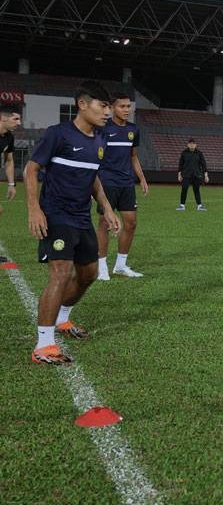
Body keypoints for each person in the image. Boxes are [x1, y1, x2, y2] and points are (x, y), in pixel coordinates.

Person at [24, 81, 121, 365]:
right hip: (56, 213)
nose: (107, 112)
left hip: (81, 217)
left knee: (88, 274)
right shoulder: (58, 134)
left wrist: (106, 209)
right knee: (61, 273)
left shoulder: (100, 140)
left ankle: (63, 320)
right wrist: (34, 209)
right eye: (102, 106)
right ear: (82, 104)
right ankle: (43, 345)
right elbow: (31, 169)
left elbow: (93, 177)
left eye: (109, 107)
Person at [95, 94, 149, 280]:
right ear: (112, 108)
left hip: (126, 183)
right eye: (122, 106)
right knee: (104, 223)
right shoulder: (102, 128)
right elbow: (94, 156)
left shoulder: (133, 130)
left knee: (131, 223)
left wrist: (141, 178)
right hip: (106, 182)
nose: (126, 110)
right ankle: (101, 267)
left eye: (128, 106)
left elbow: (133, 156)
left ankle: (120, 265)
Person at [0, 104, 22, 227]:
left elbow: (9, 161)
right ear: (3, 118)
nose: (19, 123)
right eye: (15, 119)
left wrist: (11, 184)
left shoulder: (9, 137)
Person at [177, 138, 208, 211]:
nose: (192, 145)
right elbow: (180, 164)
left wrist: (206, 175)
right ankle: (182, 205)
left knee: (196, 190)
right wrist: (179, 175)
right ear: (188, 145)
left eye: (193, 144)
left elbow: (204, 165)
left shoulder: (199, 153)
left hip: (196, 175)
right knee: (184, 189)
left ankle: (199, 206)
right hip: (186, 174)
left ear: (196, 145)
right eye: (190, 144)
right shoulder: (184, 153)